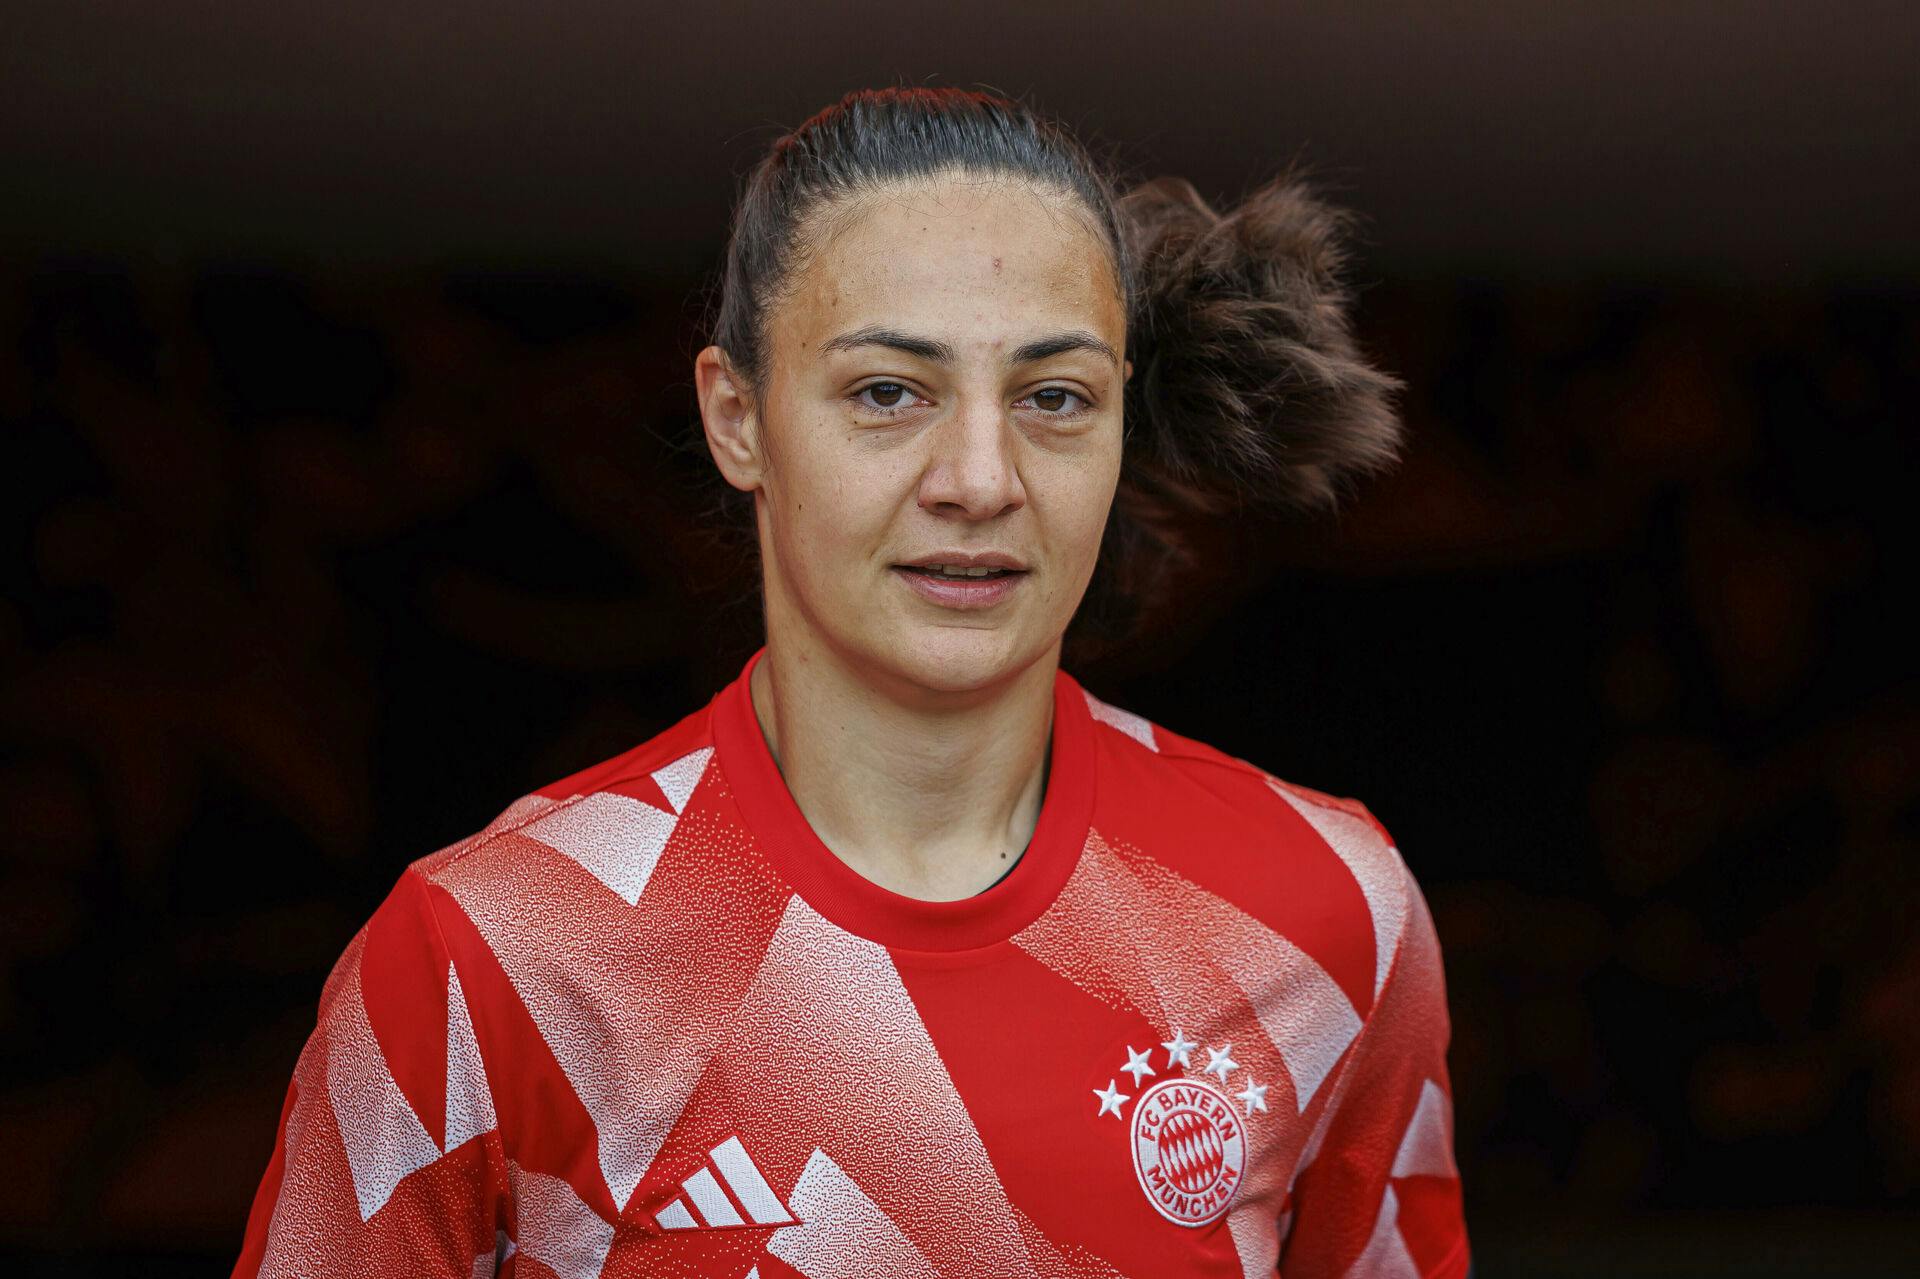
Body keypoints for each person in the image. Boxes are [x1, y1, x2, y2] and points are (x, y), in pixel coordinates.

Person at [232, 87, 1468, 1279]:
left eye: (1055, 397)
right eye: (888, 391)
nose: (980, 478)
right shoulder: (489, 954)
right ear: (738, 419)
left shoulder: (1328, 908)